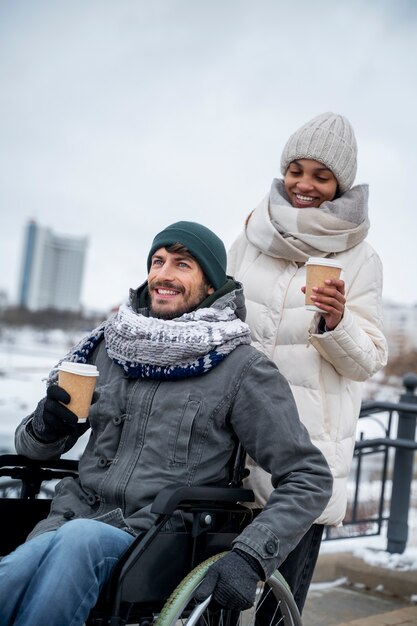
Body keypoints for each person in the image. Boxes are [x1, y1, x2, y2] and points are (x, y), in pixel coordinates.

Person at [0, 221, 332, 626]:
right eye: (157, 262)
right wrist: (47, 427)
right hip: (69, 519)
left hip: (159, 540)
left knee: (78, 541)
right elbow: (31, 451)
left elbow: (309, 476)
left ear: (210, 284)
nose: (164, 274)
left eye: (182, 264)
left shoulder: (243, 368)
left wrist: (250, 556)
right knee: (12, 575)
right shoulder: (107, 348)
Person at [227, 112, 389, 613]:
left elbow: (370, 360)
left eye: (321, 176)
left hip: (305, 458)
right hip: (230, 449)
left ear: (340, 183)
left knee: (280, 610)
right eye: (297, 170)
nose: (305, 185)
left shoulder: (362, 259)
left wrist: (336, 323)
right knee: (216, 597)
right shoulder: (248, 240)